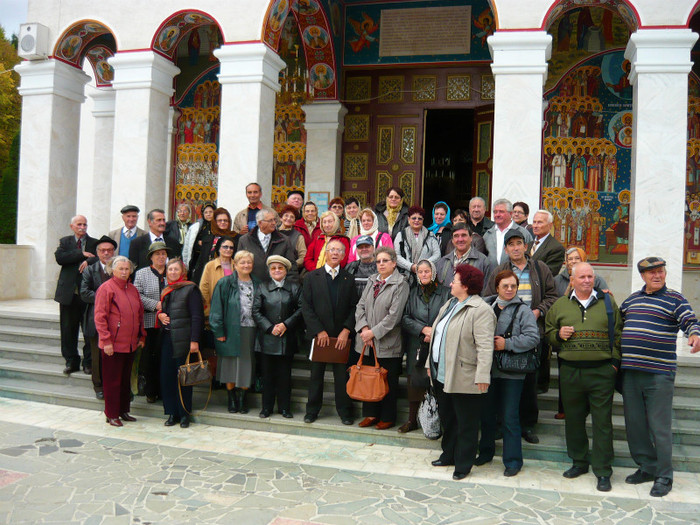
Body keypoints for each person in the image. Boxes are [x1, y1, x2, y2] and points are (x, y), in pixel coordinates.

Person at [620, 257, 700, 497]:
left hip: (659, 374)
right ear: (642, 276)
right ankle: (647, 467)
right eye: (651, 272)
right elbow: (617, 325)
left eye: (661, 271)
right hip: (631, 373)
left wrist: (695, 334)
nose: (657, 275)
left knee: (660, 428)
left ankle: (664, 476)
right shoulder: (631, 300)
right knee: (635, 426)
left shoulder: (676, 299)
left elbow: (690, 321)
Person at [545, 262, 621, 493]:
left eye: (590, 276)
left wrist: (614, 365)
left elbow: (618, 334)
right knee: (574, 420)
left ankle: (603, 470)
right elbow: (548, 332)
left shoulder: (608, 302)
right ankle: (579, 462)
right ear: (573, 280)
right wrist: (558, 334)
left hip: (601, 372)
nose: (587, 280)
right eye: (582, 277)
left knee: (602, 422)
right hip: (570, 371)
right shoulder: (560, 305)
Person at [484, 229, 558, 444]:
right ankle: (500, 424)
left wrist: (538, 311)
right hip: (504, 332)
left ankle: (527, 425)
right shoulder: (500, 270)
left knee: (528, 382)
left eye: (519, 243)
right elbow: (488, 296)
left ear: (526, 246)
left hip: (532, 331)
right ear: (506, 249)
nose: (515, 248)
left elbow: (552, 295)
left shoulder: (540, 268)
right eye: (511, 244)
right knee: (501, 381)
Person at [428, 264, 495, 480]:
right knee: (448, 418)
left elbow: (485, 346)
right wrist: (430, 363)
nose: (450, 283)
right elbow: (438, 335)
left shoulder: (481, 309)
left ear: (465, 286)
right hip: (442, 373)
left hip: (465, 375)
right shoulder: (450, 304)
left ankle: (463, 464)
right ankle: (448, 454)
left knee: (466, 422)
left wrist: (483, 375)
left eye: (454, 281)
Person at [477, 270, 540, 477]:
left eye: (513, 286)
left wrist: (508, 344)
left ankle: (513, 460)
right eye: (505, 286)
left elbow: (533, 338)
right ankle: (485, 452)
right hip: (488, 369)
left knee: (509, 416)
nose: (510, 289)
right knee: (486, 414)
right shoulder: (487, 306)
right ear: (497, 287)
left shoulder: (523, 310)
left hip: (512, 372)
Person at [302, 239, 359, 425]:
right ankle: (312, 411)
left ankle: (344, 412)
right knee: (316, 376)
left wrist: (346, 330)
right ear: (326, 253)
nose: (335, 253)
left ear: (344, 256)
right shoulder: (312, 277)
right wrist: (319, 331)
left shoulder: (348, 279)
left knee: (342, 377)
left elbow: (354, 307)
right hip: (319, 337)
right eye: (331, 250)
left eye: (339, 251)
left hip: (341, 338)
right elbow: (306, 307)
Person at [355, 246, 410, 430]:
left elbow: (394, 317)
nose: (381, 264)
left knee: (386, 382)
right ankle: (371, 414)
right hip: (367, 341)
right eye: (378, 261)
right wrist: (364, 329)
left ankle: (387, 417)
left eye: (385, 260)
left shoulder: (401, 284)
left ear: (394, 263)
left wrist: (373, 333)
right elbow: (360, 306)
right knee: (368, 379)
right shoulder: (372, 280)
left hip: (388, 343)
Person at [93, 256, 145, 427]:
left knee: (124, 380)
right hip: (112, 345)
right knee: (112, 380)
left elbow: (139, 314)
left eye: (127, 268)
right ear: (112, 270)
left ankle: (123, 410)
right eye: (121, 269)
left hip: (130, 343)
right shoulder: (106, 288)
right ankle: (111, 414)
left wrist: (141, 335)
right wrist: (106, 340)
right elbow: (100, 317)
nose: (124, 272)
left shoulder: (132, 289)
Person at [400, 259, 450, 433]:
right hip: (417, 343)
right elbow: (405, 318)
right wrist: (422, 329)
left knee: (439, 383)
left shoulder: (445, 292)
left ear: (433, 272)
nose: (423, 274)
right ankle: (412, 419)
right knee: (415, 382)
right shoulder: (412, 293)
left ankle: (442, 422)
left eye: (427, 271)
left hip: (439, 343)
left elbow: (450, 315)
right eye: (420, 272)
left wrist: (434, 331)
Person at [209, 250, 260, 414]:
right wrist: (218, 331)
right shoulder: (225, 283)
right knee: (230, 364)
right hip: (230, 330)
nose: (246, 265)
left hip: (251, 331)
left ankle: (242, 398)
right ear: (235, 265)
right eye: (242, 262)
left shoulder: (258, 283)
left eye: (249, 262)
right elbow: (216, 309)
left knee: (246, 364)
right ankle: (231, 397)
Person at [252, 255, 303, 418]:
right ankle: (266, 407)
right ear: (269, 271)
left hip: (286, 338)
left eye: (280, 268)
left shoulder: (295, 287)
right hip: (267, 339)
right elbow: (256, 311)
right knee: (267, 376)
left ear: (286, 271)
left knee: (284, 376)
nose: (277, 271)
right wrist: (269, 327)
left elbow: (301, 309)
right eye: (273, 268)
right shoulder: (262, 287)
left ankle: (285, 408)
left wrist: (286, 324)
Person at [157, 259, 204, 428]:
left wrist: (194, 340)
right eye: (170, 269)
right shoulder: (166, 290)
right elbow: (163, 312)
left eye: (176, 269)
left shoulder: (190, 289)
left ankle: (184, 414)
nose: (173, 272)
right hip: (167, 339)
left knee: (183, 378)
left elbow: (197, 317)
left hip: (184, 340)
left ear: (182, 272)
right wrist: (160, 315)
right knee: (167, 377)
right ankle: (172, 413)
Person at [55, 214, 98, 375]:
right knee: (68, 330)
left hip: (87, 295)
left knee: (88, 331)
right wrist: (82, 254)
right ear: (72, 226)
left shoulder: (94, 243)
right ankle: (71, 361)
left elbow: (100, 258)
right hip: (69, 294)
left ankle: (88, 363)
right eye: (79, 224)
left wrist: (89, 261)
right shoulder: (65, 242)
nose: (82, 227)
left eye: (85, 224)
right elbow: (60, 258)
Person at [80, 235, 117, 399]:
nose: (106, 253)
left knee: (115, 355)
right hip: (96, 318)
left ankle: (114, 385)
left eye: (109, 250)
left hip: (117, 320)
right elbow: (84, 292)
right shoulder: (90, 269)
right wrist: (104, 298)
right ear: (97, 252)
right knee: (97, 355)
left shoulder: (119, 268)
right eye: (103, 250)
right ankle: (98, 386)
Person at [133, 241, 170, 403]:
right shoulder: (142, 273)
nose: (161, 257)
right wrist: (155, 305)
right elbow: (137, 295)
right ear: (151, 257)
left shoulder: (173, 271)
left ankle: (164, 390)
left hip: (169, 323)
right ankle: (150, 391)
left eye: (163, 254)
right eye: (157, 254)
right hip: (149, 322)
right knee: (149, 358)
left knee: (165, 357)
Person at [238, 209, 298, 283]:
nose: (274, 223)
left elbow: (291, 267)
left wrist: (291, 287)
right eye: (270, 221)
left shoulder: (284, 240)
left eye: (274, 220)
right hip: (253, 286)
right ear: (260, 223)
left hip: (277, 287)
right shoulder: (245, 240)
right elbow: (239, 265)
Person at [436, 223, 492, 289]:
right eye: (456, 236)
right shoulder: (443, 262)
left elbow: (486, 293)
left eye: (464, 235)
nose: (460, 239)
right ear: (452, 240)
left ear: (471, 238)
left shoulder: (483, 262)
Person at [394, 206, 441, 283]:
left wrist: (422, 266)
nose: (416, 220)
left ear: (423, 220)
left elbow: (437, 255)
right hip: (405, 277)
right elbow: (396, 256)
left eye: (420, 218)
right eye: (414, 218)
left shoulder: (430, 235)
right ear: (408, 219)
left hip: (426, 276)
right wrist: (411, 266)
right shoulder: (401, 235)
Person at [482, 198, 532, 267]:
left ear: (511, 213)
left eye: (501, 212)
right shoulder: (488, 234)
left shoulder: (523, 233)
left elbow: (530, 257)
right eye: (495, 212)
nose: (497, 215)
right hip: (492, 276)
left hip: (515, 276)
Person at [191, 207, 236, 285]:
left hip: (228, 278)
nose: (222, 222)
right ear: (214, 222)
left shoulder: (235, 238)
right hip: (210, 278)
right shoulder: (208, 239)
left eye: (225, 220)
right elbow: (202, 261)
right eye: (219, 220)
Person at [199, 235, 236, 316]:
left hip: (233, 310)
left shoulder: (237, 265)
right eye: (225, 247)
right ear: (219, 248)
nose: (228, 249)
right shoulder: (210, 266)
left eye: (231, 247)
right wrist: (208, 309)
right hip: (215, 309)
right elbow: (204, 288)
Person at [529, 210, 565, 278]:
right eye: (534, 222)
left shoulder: (556, 248)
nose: (535, 226)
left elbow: (549, 274)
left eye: (540, 222)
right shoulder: (528, 245)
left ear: (550, 225)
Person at [182, 203, 215, 274]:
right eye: (206, 212)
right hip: (197, 260)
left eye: (210, 212)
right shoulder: (196, 227)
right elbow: (188, 246)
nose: (208, 214)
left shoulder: (217, 227)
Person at [278, 205, 307, 272]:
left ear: (294, 222)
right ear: (281, 218)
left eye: (292, 217)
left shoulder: (298, 237)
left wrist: (291, 265)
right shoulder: (273, 233)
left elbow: (303, 257)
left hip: (291, 272)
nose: (288, 218)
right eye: (286, 215)